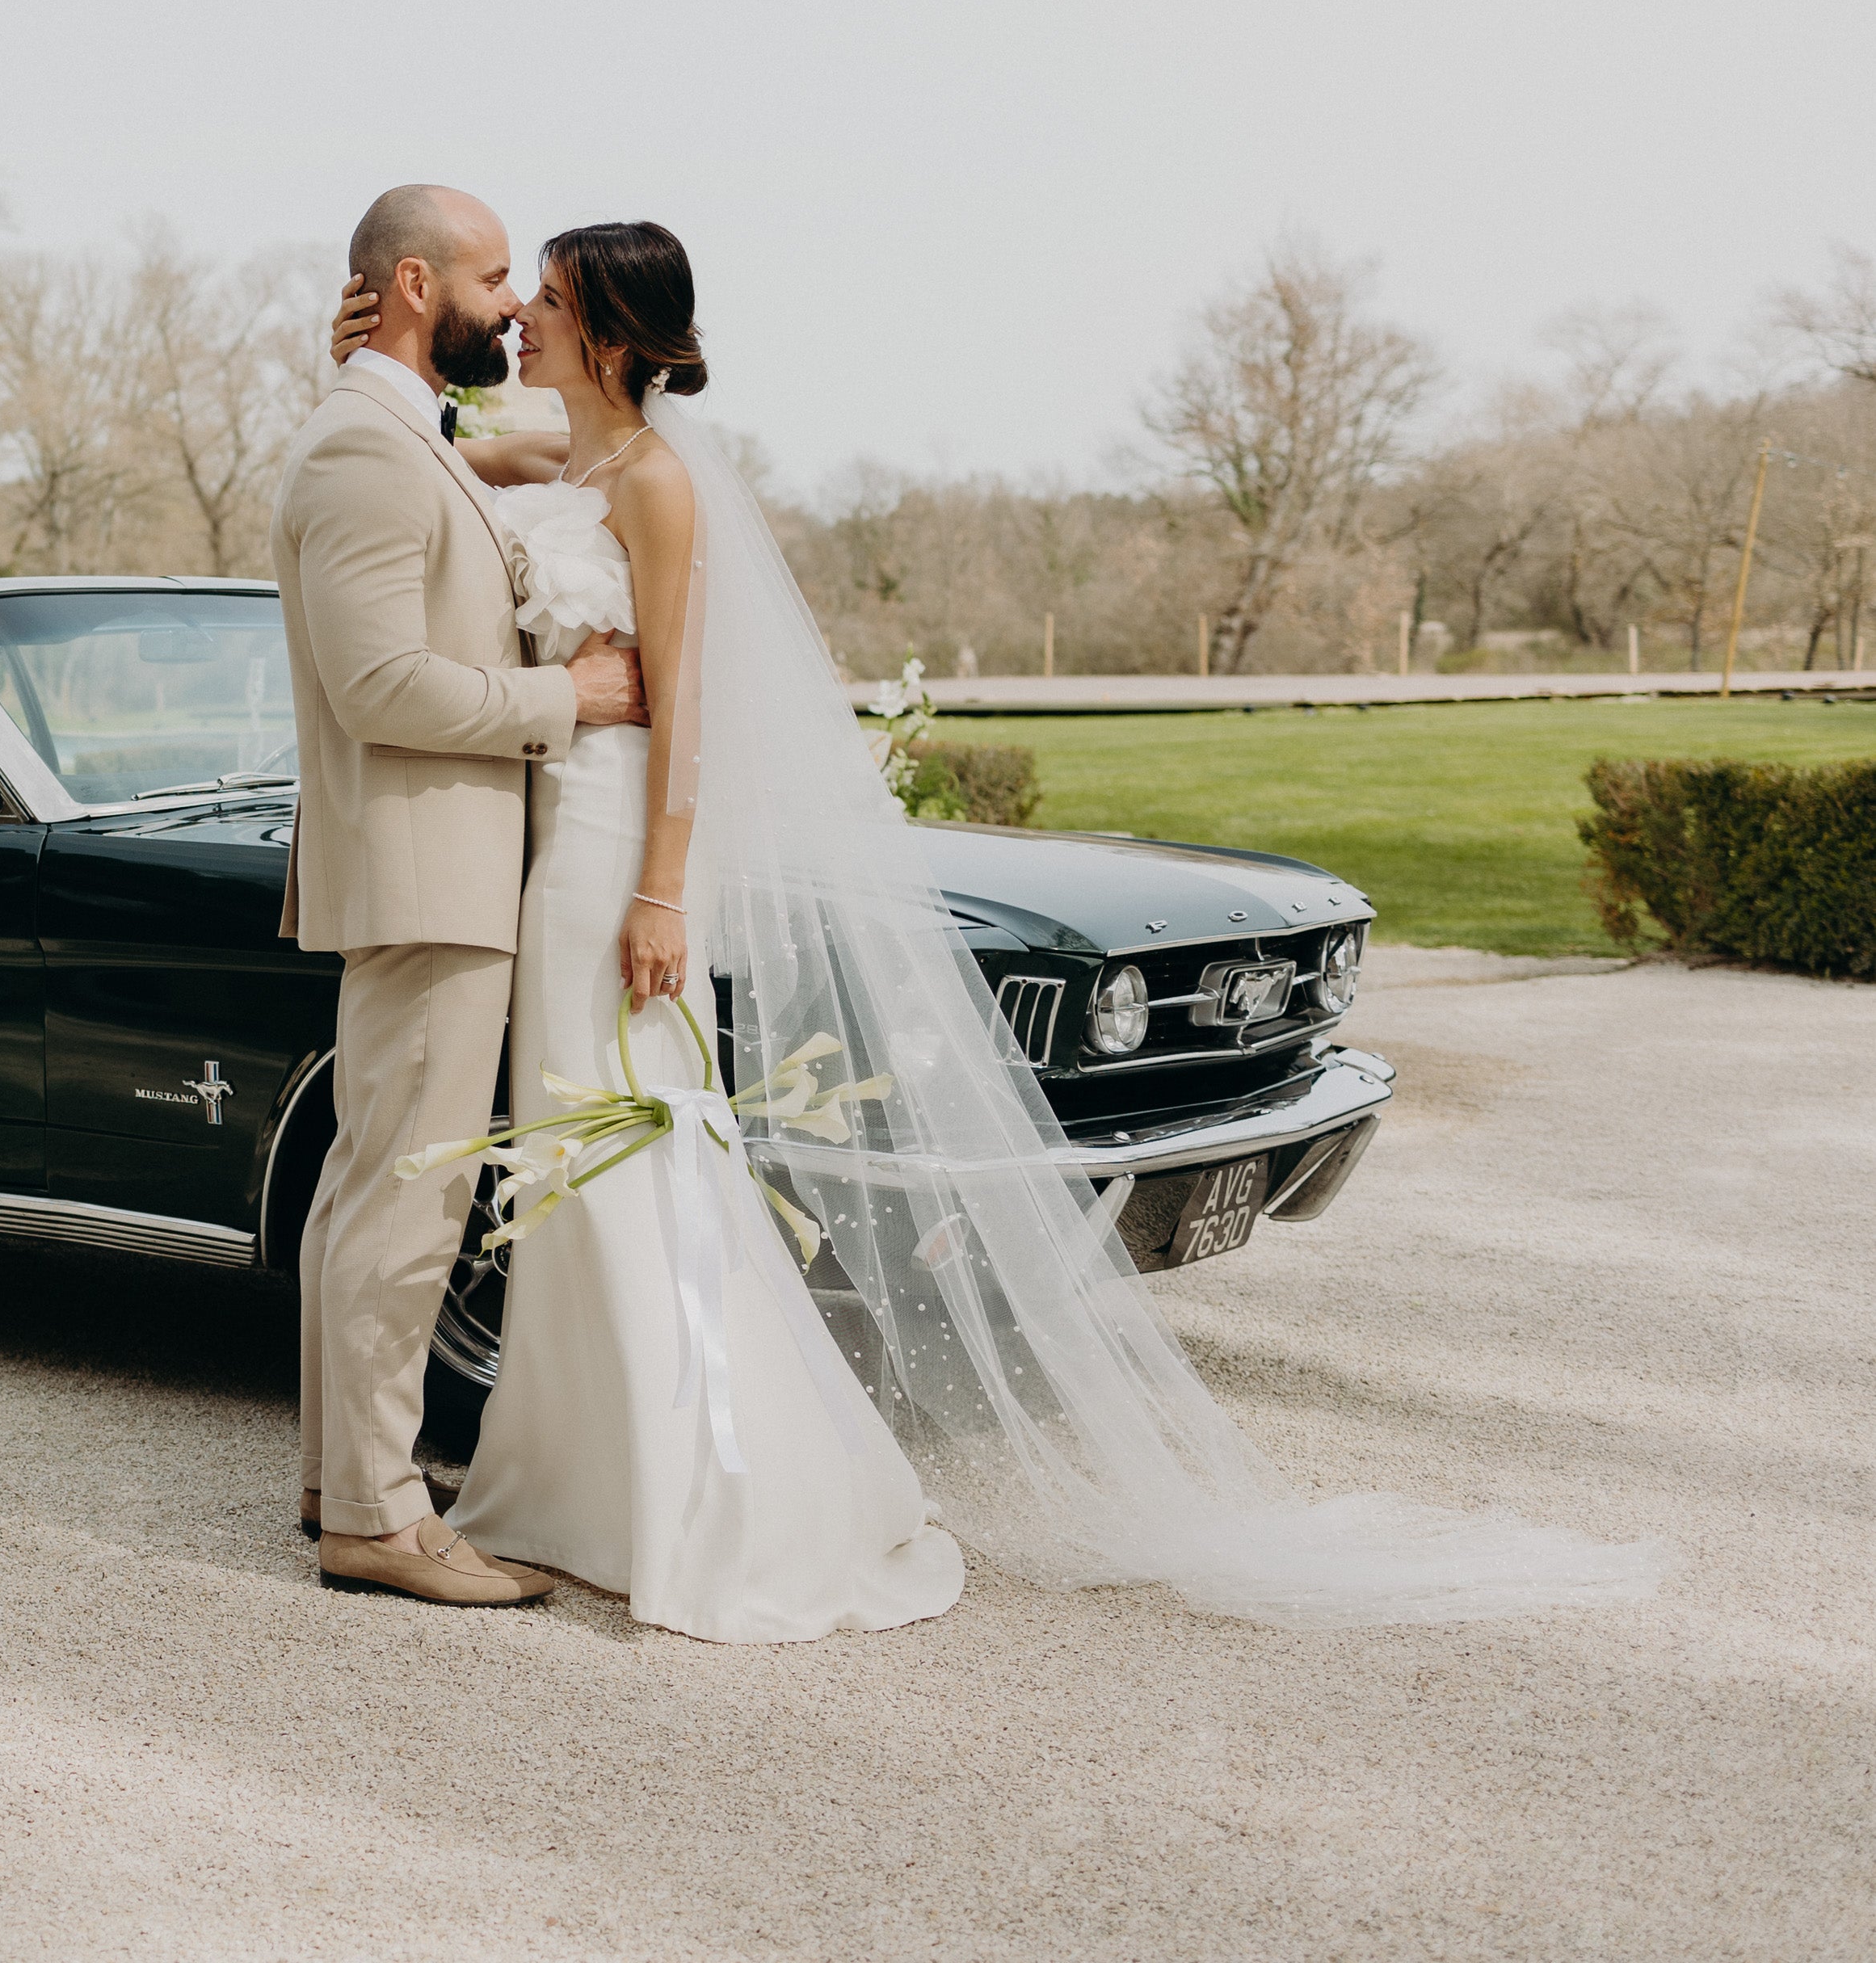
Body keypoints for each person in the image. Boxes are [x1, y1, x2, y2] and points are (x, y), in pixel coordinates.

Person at [326, 225, 1666, 1636]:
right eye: (516, 293)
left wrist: (666, 891)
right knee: (574, 1158)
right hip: (551, 849)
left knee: (651, 1150)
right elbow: (411, 453)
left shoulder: (656, 484)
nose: (522, 317)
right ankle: (568, 1474)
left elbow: (690, 707)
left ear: (606, 331)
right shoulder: (559, 462)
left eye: (543, 298)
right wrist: (359, 358)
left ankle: (709, 1487)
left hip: (616, 864)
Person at [271, 183, 646, 1608]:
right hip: (431, 870)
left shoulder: (392, 433)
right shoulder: (365, 455)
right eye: (498, 278)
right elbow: (378, 688)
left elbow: (543, 451)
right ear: (419, 282)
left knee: (370, 1187)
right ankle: (375, 1516)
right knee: (410, 1199)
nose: (514, 304)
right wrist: (575, 693)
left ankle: (338, 1480)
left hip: (433, 867)